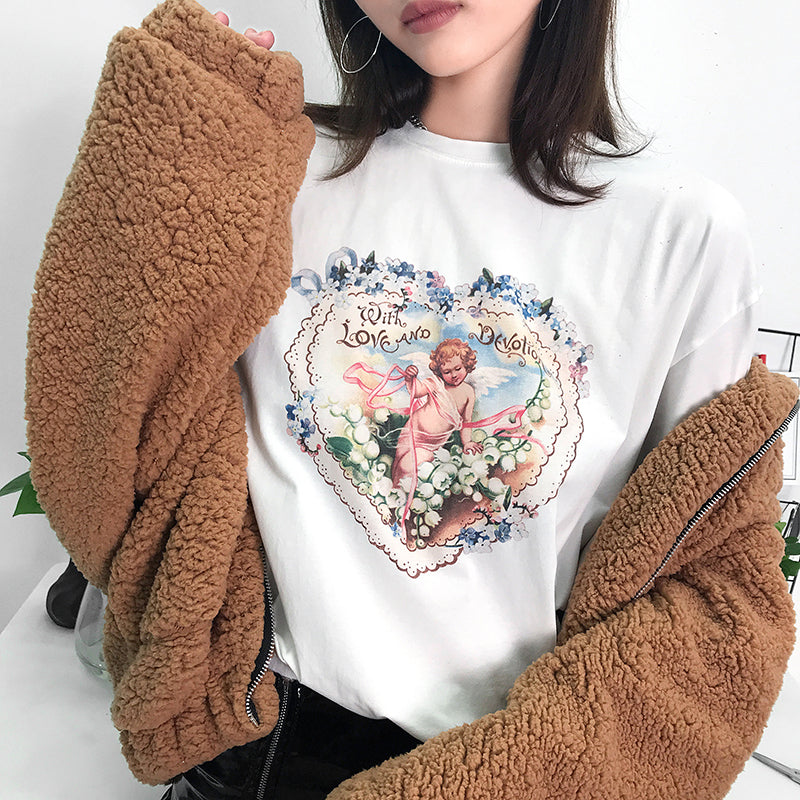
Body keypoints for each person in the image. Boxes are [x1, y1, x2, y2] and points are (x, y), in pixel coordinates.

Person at [24, 1, 799, 799]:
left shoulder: (680, 233)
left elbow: (708, 580)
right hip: (252, 751)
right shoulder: (274, 168)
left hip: (511, 773)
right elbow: (113, 448)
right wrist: (175, 137)